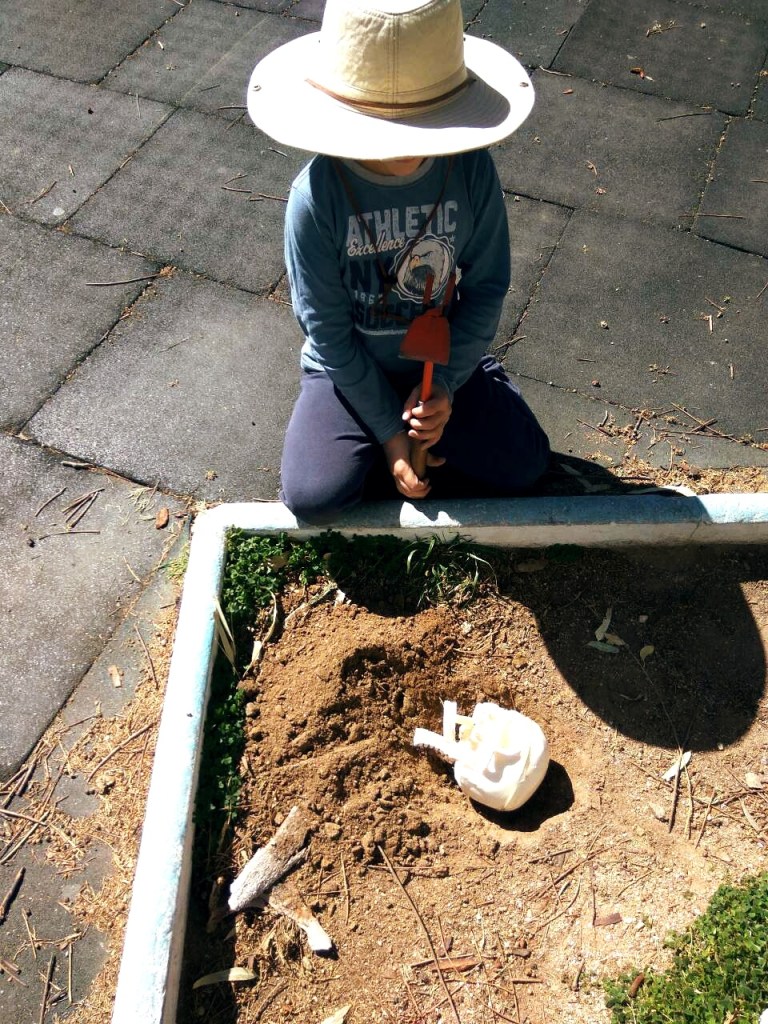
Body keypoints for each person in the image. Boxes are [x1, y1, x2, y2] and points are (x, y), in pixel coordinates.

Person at [247, 0, 550, 525]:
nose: (406, 143)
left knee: (526, 465)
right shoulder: (315, 199)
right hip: (348, 370)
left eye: (422, 122)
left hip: (439, 362)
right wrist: (390, 434)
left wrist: (446, 387)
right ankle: (387, 439)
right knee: (314, 497)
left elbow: (487, 287)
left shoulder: (471, 171)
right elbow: (328, 333)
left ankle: (471, 391)